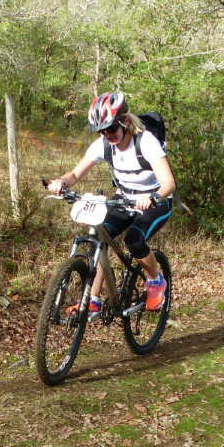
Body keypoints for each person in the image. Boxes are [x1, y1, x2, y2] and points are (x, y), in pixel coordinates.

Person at [48, 92, 176, 313]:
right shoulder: (103, 145)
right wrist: (60, 181)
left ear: (124, 121)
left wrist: (153, 197)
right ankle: (93, 300)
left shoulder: (146, 142)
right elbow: (75, 175)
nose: (107, 135)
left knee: (134, 240)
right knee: (99, 238)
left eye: (111, 129)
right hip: (124, 198)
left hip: (156, 200)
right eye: (101, 131)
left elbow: (169, 183)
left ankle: (156, 281)